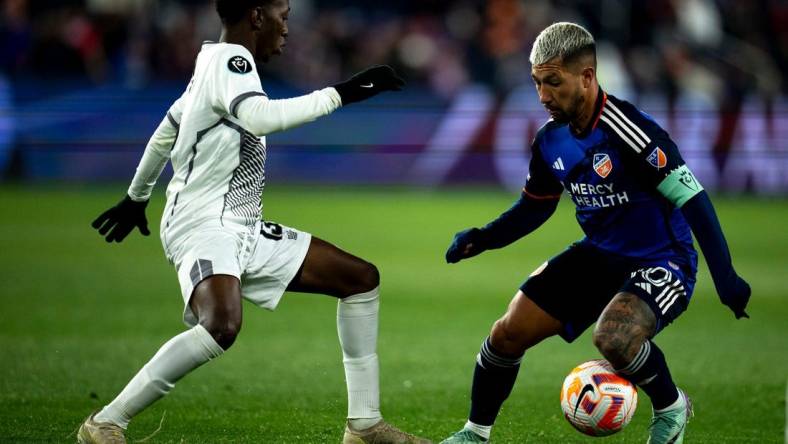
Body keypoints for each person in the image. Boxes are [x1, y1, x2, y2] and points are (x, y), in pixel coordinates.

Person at [77, 1, 429, 443]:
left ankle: (364, 426)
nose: (287, 26)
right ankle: (106, 422)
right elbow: (259, 117)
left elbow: (167, 128)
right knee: (221, 326)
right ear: (257, 16)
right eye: (283, 14)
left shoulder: (213, 60)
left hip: (240, 225)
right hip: (204, 222)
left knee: (359, 279)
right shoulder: (233, 60)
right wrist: (343, 92)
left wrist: (137, 196)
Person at [439, 22, 751, 444]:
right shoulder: (551, 140)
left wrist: (726, 277)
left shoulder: (630, 131)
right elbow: (536, 206)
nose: (543, 96)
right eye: (536, 83)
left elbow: (693, 199)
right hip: (600, 253)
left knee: (613, 338)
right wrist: (484, 237)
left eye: (553, 82)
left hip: (662, 258)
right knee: (506, 333)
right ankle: (475, 435)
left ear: (587, 77)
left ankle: (671, 406)